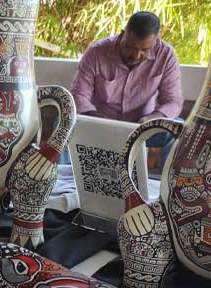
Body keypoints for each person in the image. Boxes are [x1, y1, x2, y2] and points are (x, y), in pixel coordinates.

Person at [69, 11, 183, 171]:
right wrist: (103, 122)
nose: (136, 54)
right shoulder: (97, 51)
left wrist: (151, 119)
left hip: (141, 127)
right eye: (131, 47)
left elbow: (173, 101)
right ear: (122, 34)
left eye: (145, 49)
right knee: (65, 124)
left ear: (155, 41)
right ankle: (68, 182)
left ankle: (167, 188)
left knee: (177, 132)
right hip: (99, 123)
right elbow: (78, 95)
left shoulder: (166, 55)